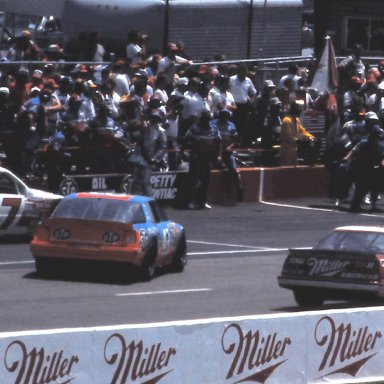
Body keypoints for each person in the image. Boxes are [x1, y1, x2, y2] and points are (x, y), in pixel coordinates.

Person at [184, 111, 221, 209]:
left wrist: (219, 155)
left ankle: (203, 201)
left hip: (207, 157)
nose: (206, 122)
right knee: (194, 179)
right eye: (204, 120)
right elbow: (186, 138)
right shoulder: (194, 128)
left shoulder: (213, 128)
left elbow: (219, 142)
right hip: (196, 156)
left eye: (208, 120)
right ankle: (191, 201)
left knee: (206, 180)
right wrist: (183, 151)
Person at [348, 124, 384, 212]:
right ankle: (355, 205)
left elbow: (382, 156)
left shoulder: (380, 145)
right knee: (361, 188)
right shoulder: (363, 143)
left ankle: (373, 205)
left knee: (375, 187)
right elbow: (354, 151)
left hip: (374, 168)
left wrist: (381, 163)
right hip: (362, 168)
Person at [211, 109, 243, 202]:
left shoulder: (231, 125)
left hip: (227, 152)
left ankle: (238, 190)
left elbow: (236, 139)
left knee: (232, 168)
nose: (225, 119)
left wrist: (230, 146)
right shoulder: (213, 124)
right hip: (214, 151)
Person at [279, 100, 315, 166]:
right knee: (286, 168)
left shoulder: (296, 120)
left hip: (294, 149)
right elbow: (288, 135)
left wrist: (311, 137)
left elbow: (303, 131)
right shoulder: (287, 120)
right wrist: (297, 140)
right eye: (297, 108)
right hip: (287, 149)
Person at [229, 65, 257, 146]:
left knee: (243, 125)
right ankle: (232, 142)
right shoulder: (231, 79)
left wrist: (252, 100)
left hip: (244, 106)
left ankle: (240, 142)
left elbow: (254, 92)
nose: (244, 75)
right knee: (233, 124)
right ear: (238, 72)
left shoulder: (248, 80)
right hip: (234, 106)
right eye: (242, 73)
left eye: (245, 73)